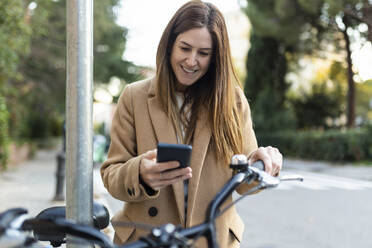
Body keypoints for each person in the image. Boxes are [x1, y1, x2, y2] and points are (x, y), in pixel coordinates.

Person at [100, 1, 282, 247]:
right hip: (147, 237)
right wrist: (141, 174)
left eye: (203, 53)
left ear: (215, 57)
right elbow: (112, 175)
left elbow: (246, 180)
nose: (191, 61)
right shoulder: (135, 97)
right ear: (169, 46)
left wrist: (265, 162)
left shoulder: (232, 101)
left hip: (211, 238)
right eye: (184, 48)